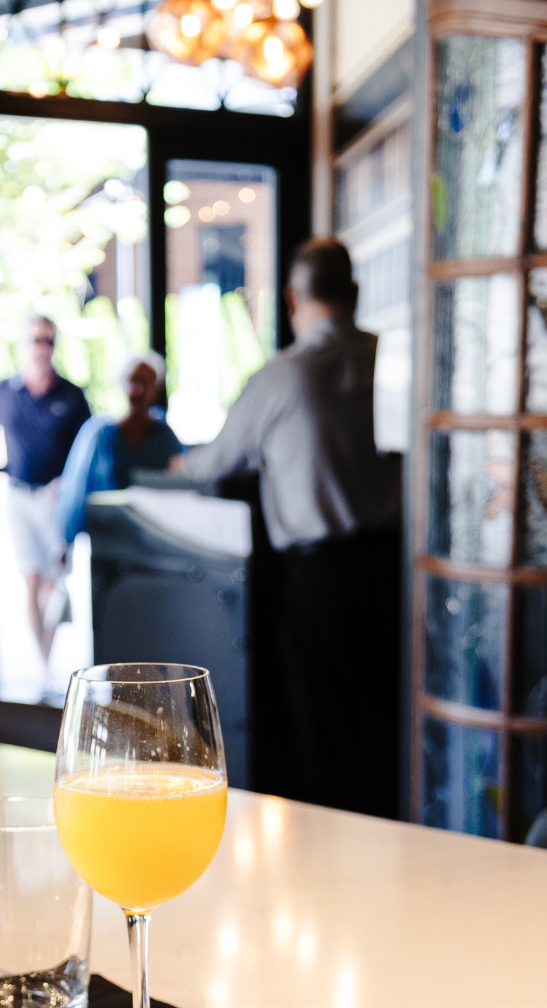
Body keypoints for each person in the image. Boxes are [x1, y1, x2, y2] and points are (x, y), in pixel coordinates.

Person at [169, 237, 401, 817]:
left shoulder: (284, 377)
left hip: (321, 575)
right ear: (353, 294)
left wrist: (172, 465)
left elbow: (214, 462)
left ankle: (333, 845)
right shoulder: (390, 359)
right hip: (394, 566)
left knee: (324, 721)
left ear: (294, 299)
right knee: (385, 713)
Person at [0, 316, 91, 661]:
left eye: (48, 341)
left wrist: (67, 484)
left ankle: (48, 651)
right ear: (24, 343)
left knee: (53, 581)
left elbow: (86, 451)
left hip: (55, 500)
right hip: (18, 496)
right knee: (30, 579)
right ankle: (41, 663)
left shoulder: (72, 396)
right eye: (35, 340)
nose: (41, 347)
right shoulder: (3, 392)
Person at [56, 352, 182, 545]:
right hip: (109, 539)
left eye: (146, 382)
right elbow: (77, 489)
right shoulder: (102, 434)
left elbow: (180, 482)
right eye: (133, 381)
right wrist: (65, 540)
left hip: (155, 538)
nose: (138, 390)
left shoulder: (165, 436)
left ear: (155, 388)